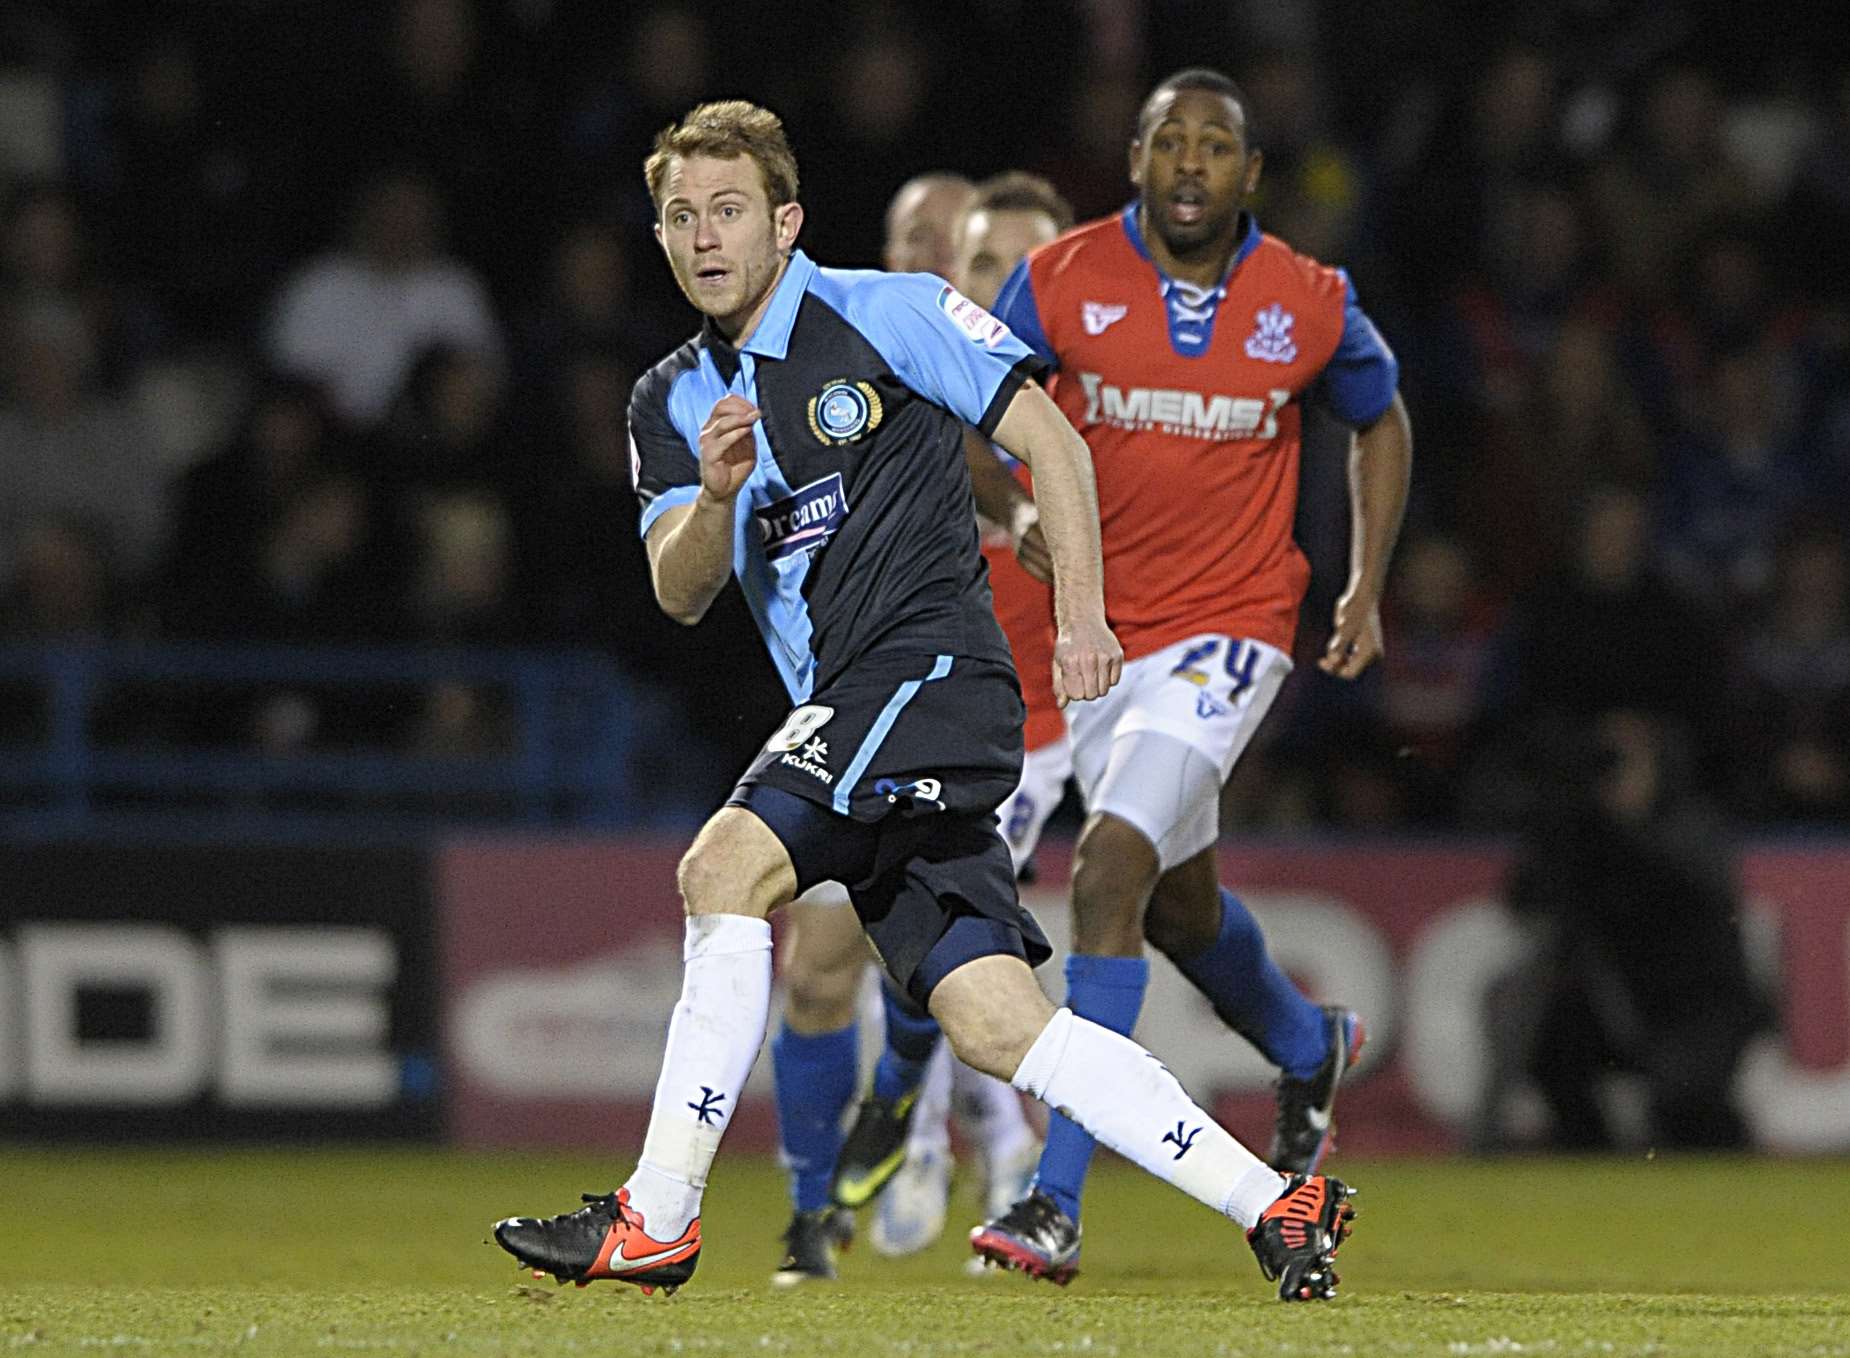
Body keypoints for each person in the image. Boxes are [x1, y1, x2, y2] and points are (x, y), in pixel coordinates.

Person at [491, 99, 1356, 1305]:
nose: (703, 236)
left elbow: (1049, 440)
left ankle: (658, 1212)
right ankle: (1274, 1200)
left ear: (783, 223)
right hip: (863, 706)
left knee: (719, 870)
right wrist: (718, 497)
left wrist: (1080, 616)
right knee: (1001, 1025)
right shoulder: (668, 401)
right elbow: (679, 590)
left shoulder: (885, 311)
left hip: (928, 676)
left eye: (728, 210)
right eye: (680, 216)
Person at [959, 68, 1411, 1282]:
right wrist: (1013, 508)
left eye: (1218, 146)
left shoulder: (1306, 300)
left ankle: (1050, 1202)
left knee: (1105, 872)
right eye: (1173, 144)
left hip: (1233, 629)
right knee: (1176, 906)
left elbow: (1380, 415)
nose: (1194, 165)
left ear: (1250, 174)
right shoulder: (1059, 278)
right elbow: (969, 410)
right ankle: (1303, 1040)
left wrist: (1363, 583)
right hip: (1103, 635)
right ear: (1137, 160)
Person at [762, 168, 1041, 1285]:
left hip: (981, 703)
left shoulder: (1008, 371)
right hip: (851, 693)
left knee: (937, 953)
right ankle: (837, 1184)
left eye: (960, 247)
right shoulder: (846, 358)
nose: (933, 256)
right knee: (823, 967)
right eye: (910, 237)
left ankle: (940, 1132)